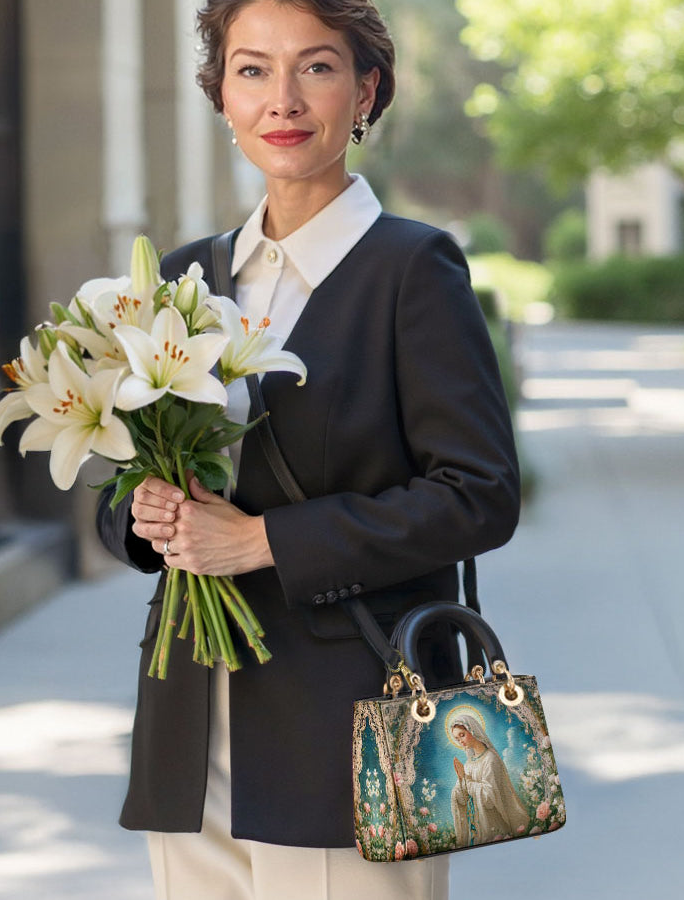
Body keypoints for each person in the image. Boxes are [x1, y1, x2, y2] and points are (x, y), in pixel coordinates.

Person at [96, 1, 520, 897]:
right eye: (252, 70)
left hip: (350, 730)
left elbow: (479, 494)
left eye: (315, 67)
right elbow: (124, 477)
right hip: (188, 726)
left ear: (366, 90)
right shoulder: (184, 276)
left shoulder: (413, 269)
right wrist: (145, 517)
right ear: (221, 97)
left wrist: (263, 543)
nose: (282, 98)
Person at [450, 715, 531, 847]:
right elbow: (463, 797)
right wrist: (460, 782)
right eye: (457, 739)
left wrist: (465, 779)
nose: (461, 741)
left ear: (473, 730)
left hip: (494, 824)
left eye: (462, 735)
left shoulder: (490, 759)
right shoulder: (469, 763)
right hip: (478, 827)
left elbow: (488, 798)